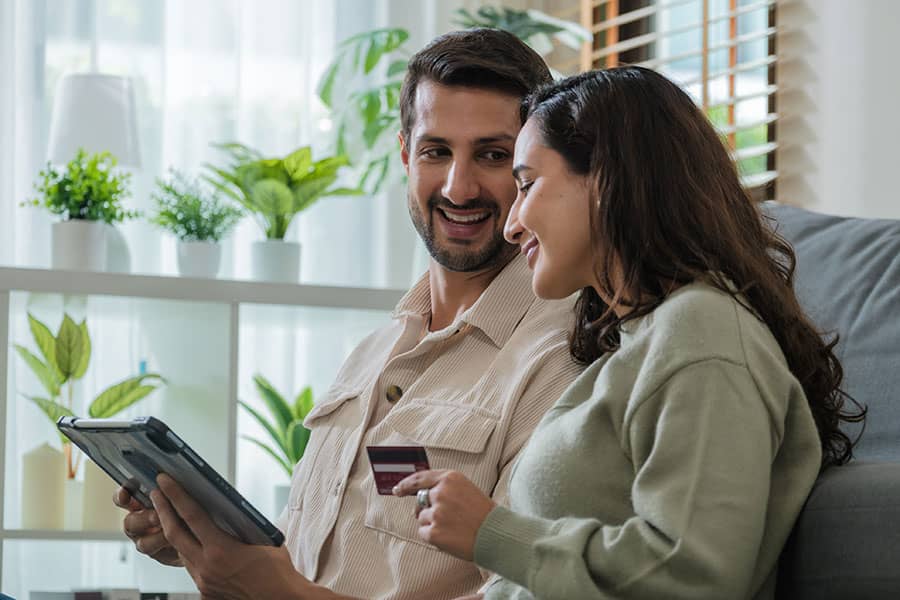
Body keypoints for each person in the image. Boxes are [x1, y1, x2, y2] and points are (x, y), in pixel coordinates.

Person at [113, 29, 585, 600]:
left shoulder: (561, 358)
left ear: (534, 166)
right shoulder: (375, 349)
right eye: (437, 151)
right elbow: (319, 557)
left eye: (492, 155)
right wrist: (202, 542)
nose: (459, 188)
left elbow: (522, 594)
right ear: (406, 153)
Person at [393, 67, 865, 599]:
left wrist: (493, 534)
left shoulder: (703, 334)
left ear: (607, 180)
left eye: (527, 184)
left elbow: (694, 577)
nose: (512, 223)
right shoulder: (635, 347)